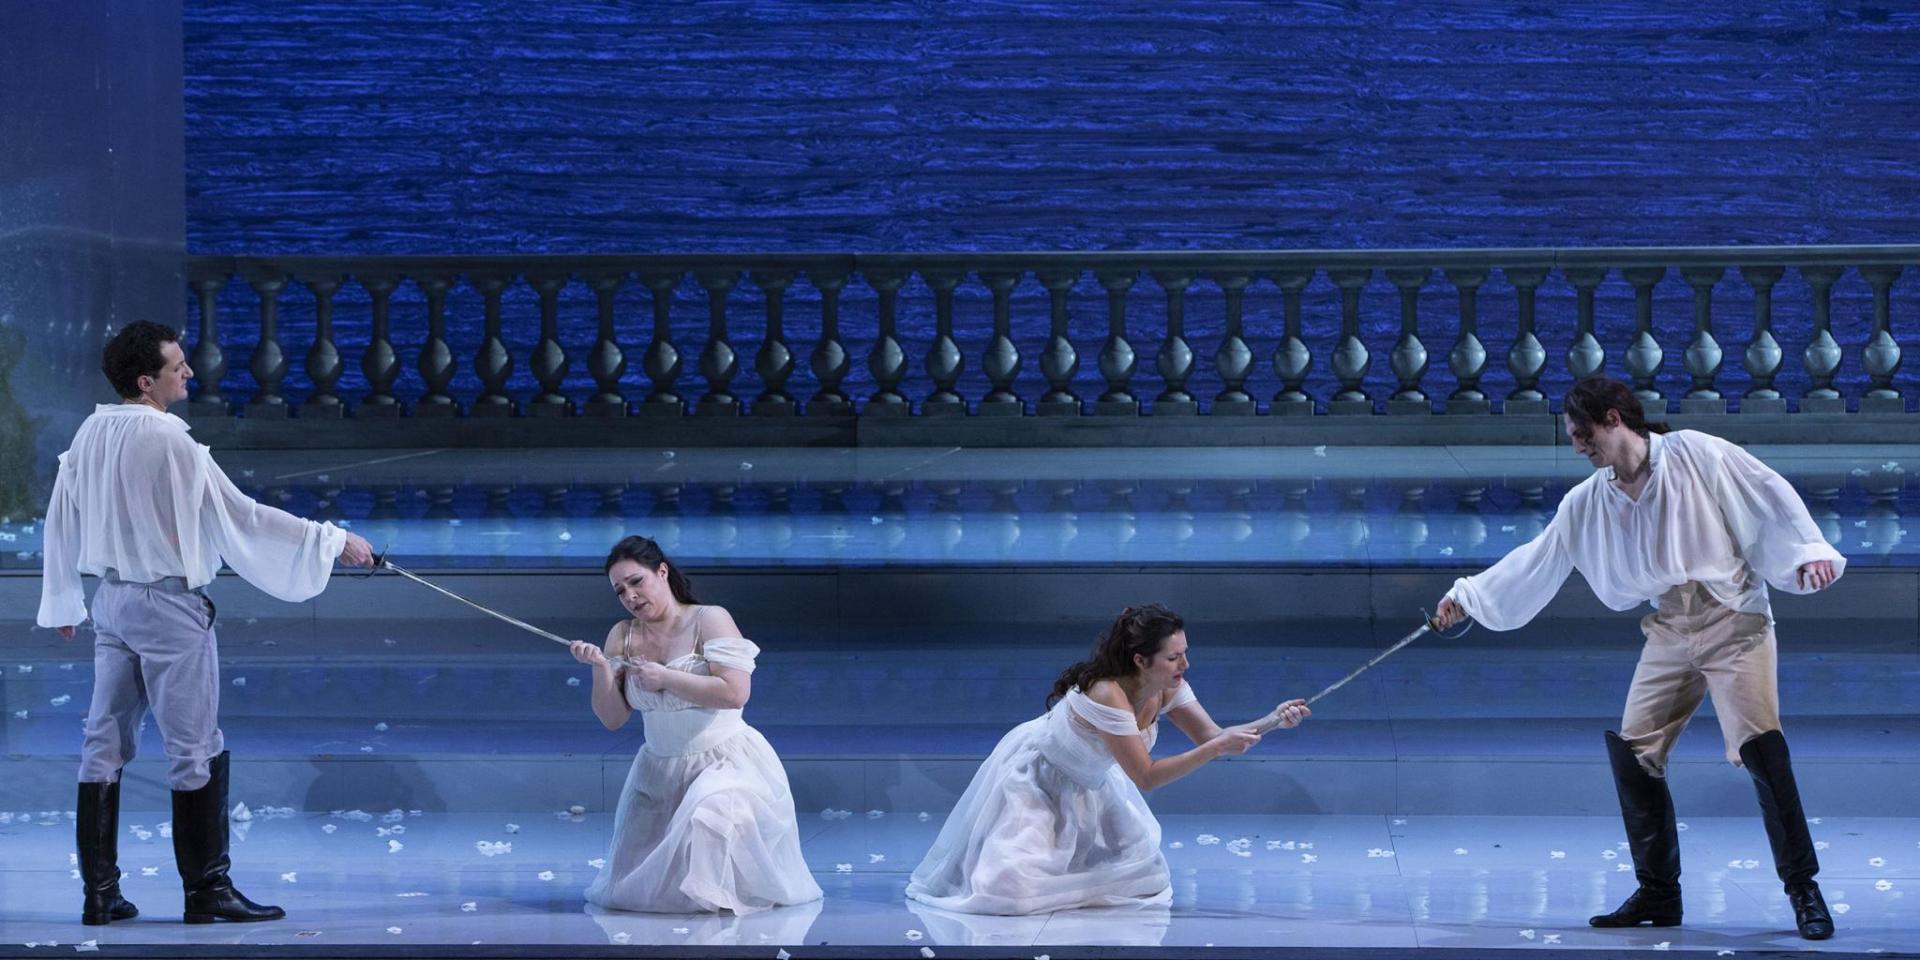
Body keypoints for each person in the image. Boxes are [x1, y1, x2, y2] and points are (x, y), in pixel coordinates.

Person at [1434, 376, 1842, 940]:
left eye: (1582, 434)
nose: (1578, 447)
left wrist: (1808, 554)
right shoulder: (1590, 499)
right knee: (1635, 750)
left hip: (1733, 617)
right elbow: (1539, 557)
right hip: (1671, 627)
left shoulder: (1695, 453)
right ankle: (1659, 893)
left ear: (1613, 419)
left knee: (1761, 750)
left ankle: (1804, 890)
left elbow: (1766, 494)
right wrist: (1468, 596)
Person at [37, 321, 375, 925]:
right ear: (147, 382)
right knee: (194, 748)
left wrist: (65, 600)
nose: (188, 373)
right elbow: (240, 515)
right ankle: (207, 891)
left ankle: (100, 895)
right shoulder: (170, 440)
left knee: (102, 744)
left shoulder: (89, 431)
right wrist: (333, 540)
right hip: (168, 607)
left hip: (112, 602)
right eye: (177, 367)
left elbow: (60, 515)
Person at [905, 603, 1310, 915]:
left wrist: (1273, 721)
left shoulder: (1168, 686)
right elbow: (1146, 776)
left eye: (1185, 654)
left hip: (1092, 782)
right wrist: (1214, 751)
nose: (1185, 665)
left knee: (1144, 877)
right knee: (1008, 890)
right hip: (1041, 778)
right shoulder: (1107, 694)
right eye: (1173, 658)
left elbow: (1213, 735)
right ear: (1140, 660)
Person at [569, 536, 821, 913]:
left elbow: (735, 693)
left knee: (714, 811)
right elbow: (613, 718)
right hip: (659, 768)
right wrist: (601, 669)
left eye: (637, 582)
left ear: (662, 572)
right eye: (620, 591)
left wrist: (667, 678)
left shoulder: (709, 619)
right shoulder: (622, 634)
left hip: (724, 761)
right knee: (641, 892)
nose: (630, 596)